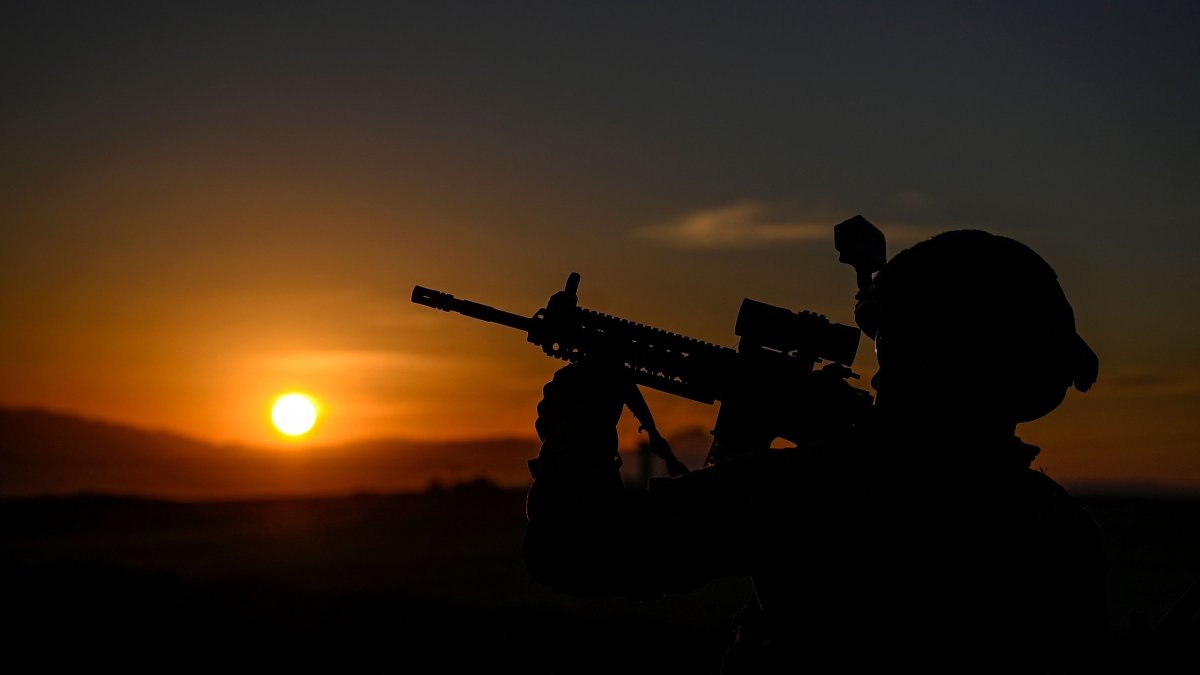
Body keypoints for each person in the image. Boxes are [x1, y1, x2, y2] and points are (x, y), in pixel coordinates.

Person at [523, 229, 1107, 673]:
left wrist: (578, 422)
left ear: (933, 355)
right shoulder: (1061, 526)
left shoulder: (830, 486)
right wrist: (741, 442)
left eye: (892, 346)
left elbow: (578, 549)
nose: (879, 375)